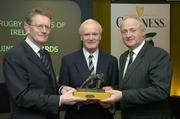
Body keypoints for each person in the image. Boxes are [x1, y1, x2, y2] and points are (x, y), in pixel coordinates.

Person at [3, 8, 84, 119]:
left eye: (47, 27)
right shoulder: (14, 56)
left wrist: (61, 89)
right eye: (40, 26)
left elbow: (45, 85)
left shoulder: (45, 53)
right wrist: (60, 100)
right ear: (27, 28)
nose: (44, 30)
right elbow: (22, 96)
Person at [101, 17, 173, 119]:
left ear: (143, 32)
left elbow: (160, 91)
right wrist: (112, 92)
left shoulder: (159, 55)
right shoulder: (123, 57)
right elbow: (127, 87)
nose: (128, 35)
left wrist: (122, 95)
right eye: (124, 32)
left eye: (132, 30)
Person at [58, 19, 118, 119]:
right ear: (81, 37)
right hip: (76, 115)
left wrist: (111, 99)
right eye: (86, 34)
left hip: (103, 115)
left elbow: (116, 87)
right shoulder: (68, 60)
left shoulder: (111, 61)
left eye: (94, 34)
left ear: (100, 36)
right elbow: (61, 87)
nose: (91, 38)